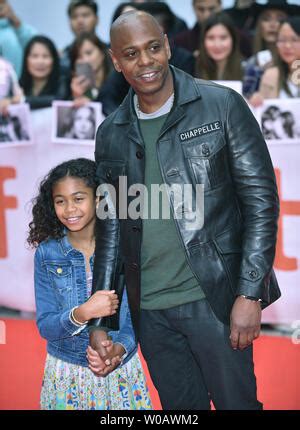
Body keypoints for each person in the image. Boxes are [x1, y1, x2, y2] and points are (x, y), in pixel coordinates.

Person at [88, 11, 281, 410]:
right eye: (132, 53)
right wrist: (101, 320)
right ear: (115, 61)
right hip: (151, 311)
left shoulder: (221, 105)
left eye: (153, 47)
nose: (146, 62)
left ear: (168, 44)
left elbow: (261, 203)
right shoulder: (110, 132)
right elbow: (110, 229)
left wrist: (250, 293)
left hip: (216, 300)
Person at [27, 158, 152, 410]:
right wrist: (83, 313)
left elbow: (135, 318)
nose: (69, 209)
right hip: (66, 372)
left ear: (98, 200)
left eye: (78, 198)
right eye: (60, 201)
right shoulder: (47, 254)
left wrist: (118, 350)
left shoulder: (125, 248)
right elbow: (46, 325)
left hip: (120, 369)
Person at [242, 0, 294, 100]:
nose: (272, 24)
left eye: (280, 19)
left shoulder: (295, 62)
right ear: (259, 25)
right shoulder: (250, 64)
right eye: (266, 19)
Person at [250, 16, 300, 105]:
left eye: (294, 40)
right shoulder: (270, 75)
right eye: (282, 40)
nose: (287, 46)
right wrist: (257, 101)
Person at [19, 36, 68, 110]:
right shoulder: (19, 85)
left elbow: (58, 100)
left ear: (54, 60)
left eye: (45, 56)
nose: (40, 62)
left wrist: (23, 100)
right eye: (34, 56)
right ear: (26, 60)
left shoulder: (63, 81)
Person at [61, 0, 107, 75]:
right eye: (74, 17)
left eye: (85, 15)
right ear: (69, 22)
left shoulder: (113, 52)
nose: (80, 21)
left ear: (97, 19)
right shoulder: (63, 59)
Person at [195, 12, 243, 81]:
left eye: (223, 38)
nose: (217, 45)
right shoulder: (190, 68)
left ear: (233, 39)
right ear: (203, 41)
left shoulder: (248, 70)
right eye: (211, 38)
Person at [70, 33, 112, 104]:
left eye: (89, 53)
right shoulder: (74, 88)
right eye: (79, 56)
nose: (85, 60)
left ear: (102, 54)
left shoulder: (117, 81)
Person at [0, 0, 36, 77]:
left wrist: (16, 22)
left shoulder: (17, 28)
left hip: (19, 84)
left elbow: (36, 45)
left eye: (2, 2)